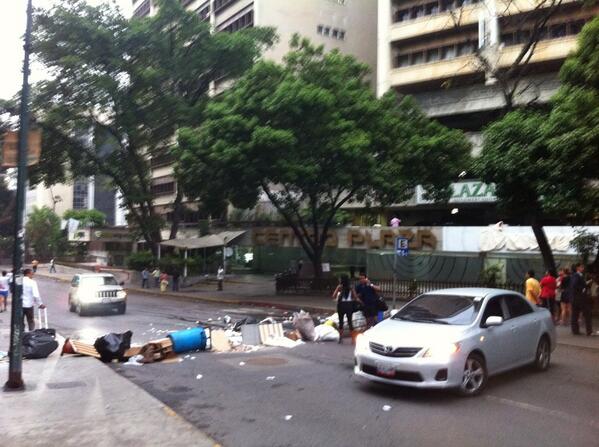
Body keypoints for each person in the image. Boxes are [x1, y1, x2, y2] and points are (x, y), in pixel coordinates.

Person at [332, 275, 362, 343]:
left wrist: (337, 289)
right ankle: (353, 339)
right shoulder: (351, 287)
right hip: (349, 305)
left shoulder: (339, 287)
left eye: (340, 279)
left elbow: (333, 296)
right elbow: (355, 297)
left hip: (341, 305)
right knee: (350, 322)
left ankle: (340, 338)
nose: (339, 280)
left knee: (341, 322)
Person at [570, 263, 593, 336]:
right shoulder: (577, 275)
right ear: (578, 268)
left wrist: (585, 284)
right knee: (587, 313)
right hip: (580, 298)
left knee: (575, 314)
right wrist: (582, 289)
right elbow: (575, 285)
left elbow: (577, 285)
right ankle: (589, 331)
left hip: (575, 298)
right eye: (581, 267)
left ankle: (575, 331)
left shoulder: (575, 275)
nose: (583, 268)